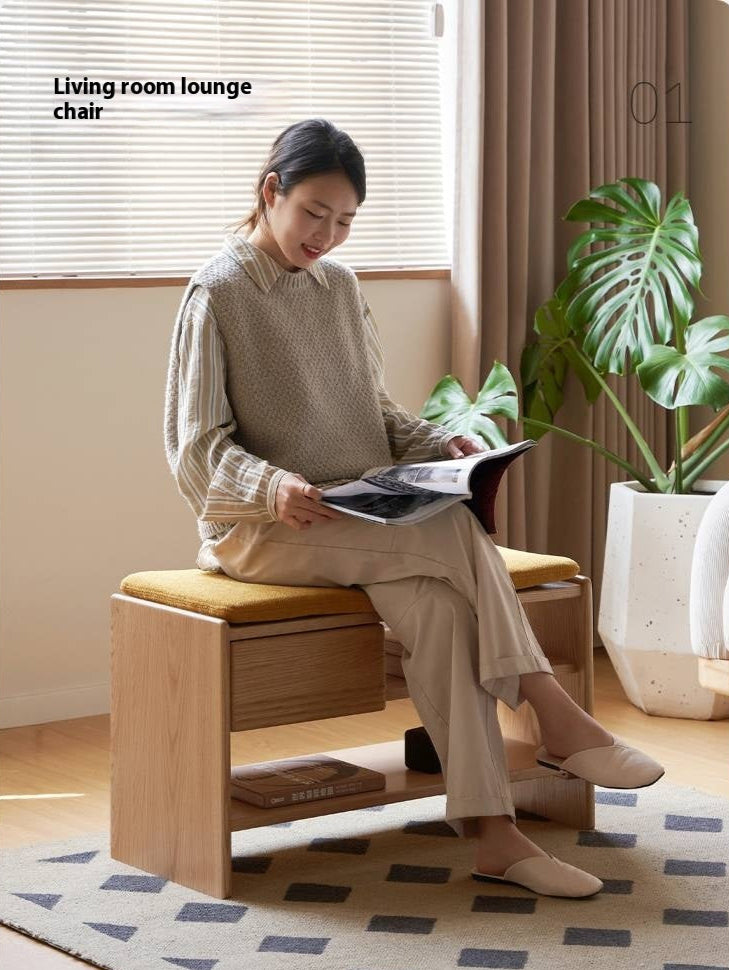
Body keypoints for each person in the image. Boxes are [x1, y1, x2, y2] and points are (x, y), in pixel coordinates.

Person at [163, 118, 665, 898]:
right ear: (271, 193)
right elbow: (194, 445)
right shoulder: (218, 291)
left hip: (361, 520)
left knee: (437, 607)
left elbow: (375, 412)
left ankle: (495, 836)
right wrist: (272, 489)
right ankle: (553, 715)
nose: (326, 235)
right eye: (313, 213)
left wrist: (443, 445)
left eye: (344, 221)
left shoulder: (339, 285)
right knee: (452, 530)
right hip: (263, 530)